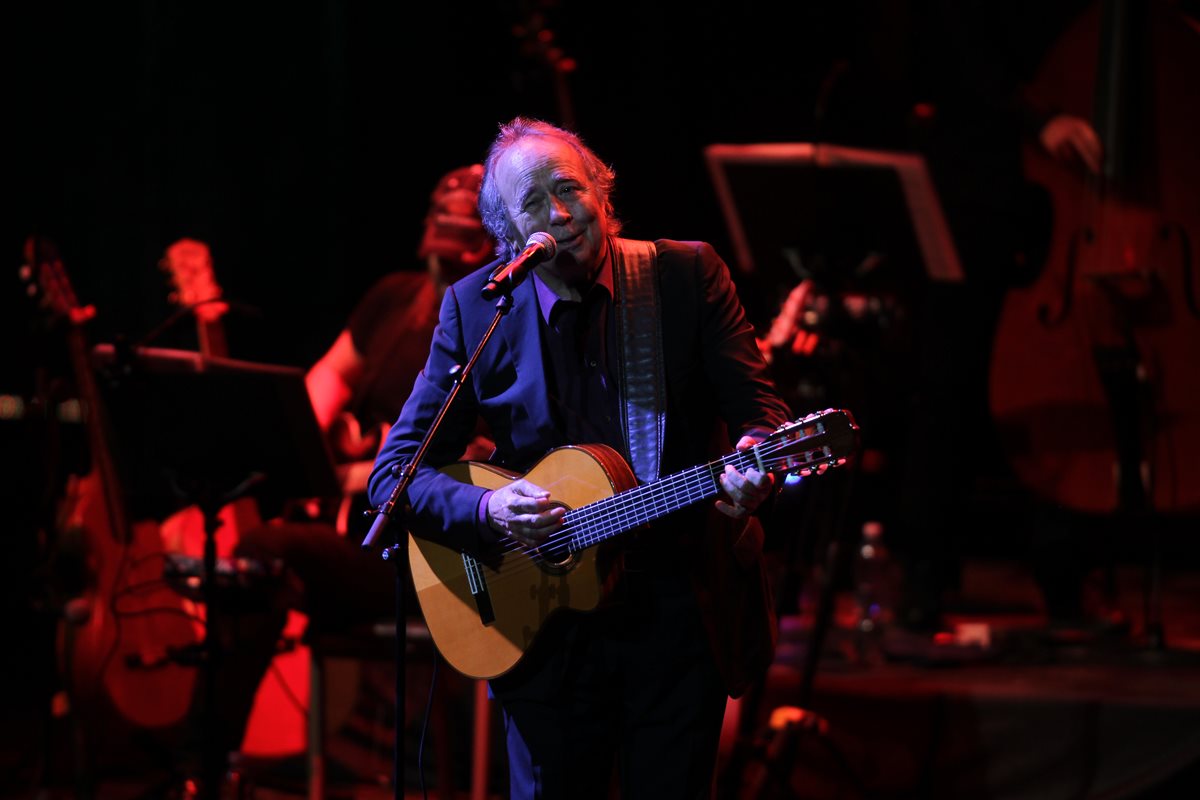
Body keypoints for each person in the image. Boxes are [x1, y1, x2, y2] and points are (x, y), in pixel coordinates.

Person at [368, 117, 795, 798]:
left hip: (676, 611)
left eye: (570, 189)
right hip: (540, 628)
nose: (559, 214)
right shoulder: (477, 311)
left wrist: (758, 467)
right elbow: (394, 478)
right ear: (507, 229)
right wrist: (489, 507)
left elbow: (762, 417)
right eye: (533, 202)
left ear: (602, 193)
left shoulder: (684, 277)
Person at [198, 165, 496, 787]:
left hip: (435, 558)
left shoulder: (497, 313)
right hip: (363, 544)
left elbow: (476, 461)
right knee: (257, 568)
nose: (443, 275)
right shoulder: (397, 296)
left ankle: (215, 761)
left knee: (265, 548)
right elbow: (328, 380)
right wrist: (308, 445)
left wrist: (361, 471)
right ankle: (214, 762)